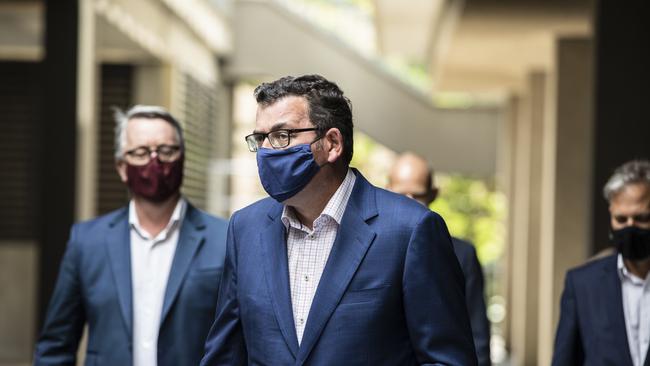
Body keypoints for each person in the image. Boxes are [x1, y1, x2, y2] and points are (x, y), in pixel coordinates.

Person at [201, 75, 476, 365]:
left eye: (282, 136)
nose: (267, 150)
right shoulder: (246, 228)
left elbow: (447, 360)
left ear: (332, 143)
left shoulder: (410, 230)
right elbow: (225, 355)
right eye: (260, 138)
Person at [34, 105, 228, 366]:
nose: (154, 160)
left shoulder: (225, 238)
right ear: (122, 167)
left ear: (182, 159)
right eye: (140, 152)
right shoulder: (87, 241)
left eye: (166, 150)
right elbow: (56, 345)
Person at [387, 152, 491, 366]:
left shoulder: (462, 254)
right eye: (400, 194)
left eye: (417, 195)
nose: (409, 202)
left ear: (433, 194)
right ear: (387, 191)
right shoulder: (373, 247)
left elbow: (477, 332)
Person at [552, 159, 650, 366]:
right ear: (611, 217)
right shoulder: (582, 284)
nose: (630, 227)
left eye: (641, 218)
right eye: (621, 220)